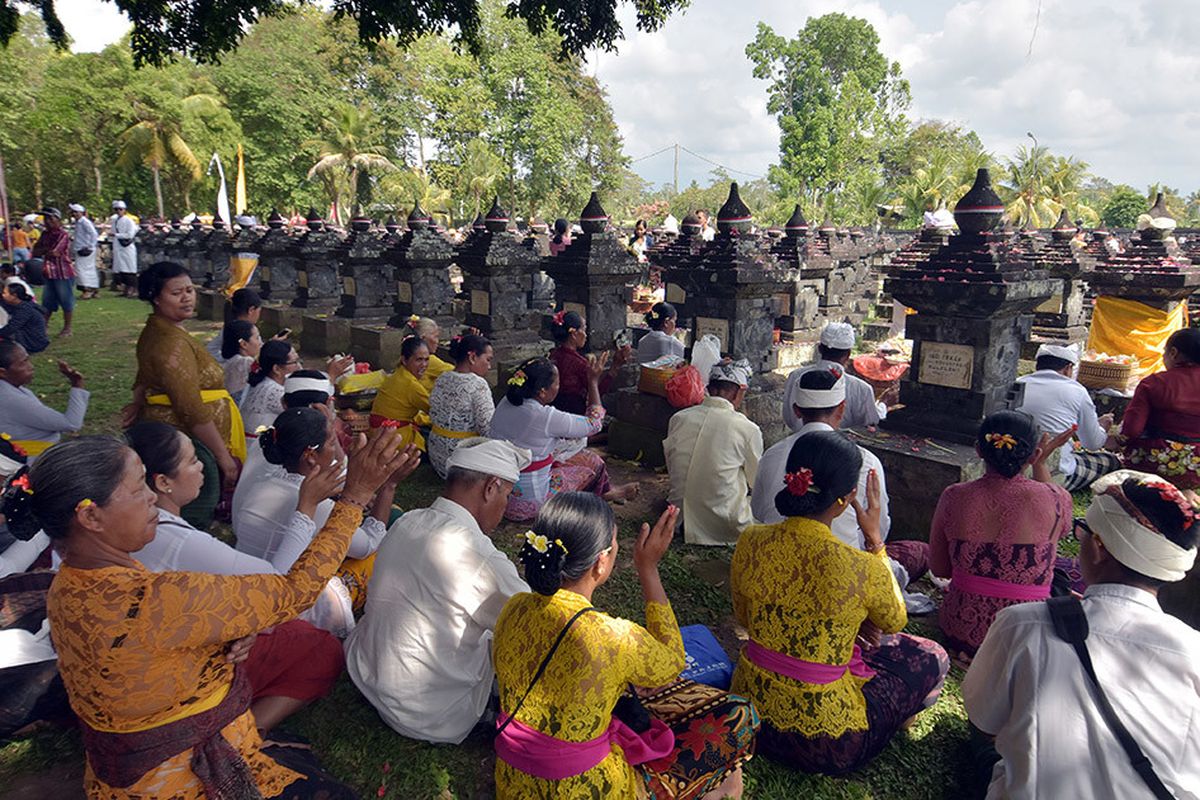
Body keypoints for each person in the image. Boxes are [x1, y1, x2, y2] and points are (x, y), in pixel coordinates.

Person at [0, 429, 413, 799]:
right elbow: (294, 591)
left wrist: (219, 637)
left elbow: (144, 651)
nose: (151, 498)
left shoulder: (67, 583)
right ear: (90, 516)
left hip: (117, 777)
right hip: (183, 781)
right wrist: (355, 498)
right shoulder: (160, 596)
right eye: (137, 488)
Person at [493, 494, 758, 799]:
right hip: (588, 788)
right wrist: (648, 569)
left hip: (514, 781)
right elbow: (673, 662)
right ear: (601, 561)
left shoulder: (515, 608)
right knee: (736, 714)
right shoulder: (615, 638)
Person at [962, 470, 1200, 799]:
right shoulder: (1193, 651)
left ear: (1099, 548)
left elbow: (984, 722)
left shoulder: (1023, 624)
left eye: (1082, 531)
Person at [731, 431, 949, 774]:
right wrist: (875, 540)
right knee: (931, 655)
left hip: (750, 713)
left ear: (792, 480)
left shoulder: (751, 541)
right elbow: (894, 620)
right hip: (828, 740)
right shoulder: (860, 566)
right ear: (847, 499)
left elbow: (744, 615)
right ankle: (900, 721)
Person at [125, 421, 350, 728]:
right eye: (192, 461)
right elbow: (279, 586)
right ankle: (243, 736)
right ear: (162, 481)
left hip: (151, 654)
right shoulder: (178, 541)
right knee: (323, 649)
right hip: (169, 674)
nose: (203, 467)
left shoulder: (133, 526)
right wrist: (308, 505)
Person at [345, 438, 531, 744]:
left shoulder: (407, 522)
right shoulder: (478, 554)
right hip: (430, 715)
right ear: (491, 487)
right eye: (507, 495)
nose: (505, 507)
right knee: (512, 636)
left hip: (368, 676)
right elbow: (534, 621)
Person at [751, 369, 933, 595]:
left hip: (778, 564)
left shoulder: (773, 454)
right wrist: (874, 542)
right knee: (920, 551)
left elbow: (759, 511)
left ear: (797, 410)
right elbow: (879, 527)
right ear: (842, 408)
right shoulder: (865, 462)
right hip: (844, 575)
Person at [233, 407, 417, 609]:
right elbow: (369, 544)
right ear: (311, 455)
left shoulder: (259, 485)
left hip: (246, 587)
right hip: (278, 603)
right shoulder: (313, 505)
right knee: (379, 550)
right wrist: (389, 486)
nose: (337, 451)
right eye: (332, 443)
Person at [929, 411, 1073, 663]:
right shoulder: (1057, 499)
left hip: (962, 629)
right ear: (1035, 455)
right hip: (1027, 632)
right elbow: (1061, 528)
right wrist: (1040, 465)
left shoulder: (954, 495)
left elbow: (940, 568)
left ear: (979, 450)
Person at [126, 261, 245, 529]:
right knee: (191, 513)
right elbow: (190, 407)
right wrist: (223, 458)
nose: (186, 297)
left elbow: (144, 376)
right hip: (184, 440)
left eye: (190, 290)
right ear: (156, 298)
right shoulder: (170, 342)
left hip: (178, 432)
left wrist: (137, 401)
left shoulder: (163, 329)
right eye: (176, 292)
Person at [491, 357, 637, 521]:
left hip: (498, 497)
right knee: (591, 465)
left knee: (582, 453)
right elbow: (594, 424)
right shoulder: (544, 416)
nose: (558, 388)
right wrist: (593, 382)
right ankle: (599, 499)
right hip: (527, 505)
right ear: (542, 391)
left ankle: (607, 492)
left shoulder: (507, 401)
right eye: (557, 384)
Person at [664, 359, 762, 545]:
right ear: (739, 392)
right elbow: (755, 480)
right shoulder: (747, 429)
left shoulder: (679, 418)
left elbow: (673, 466)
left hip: (678, 519)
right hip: (725, 526)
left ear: (709, 387)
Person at [1016, 342, 1118, 490]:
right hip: (1055, 470)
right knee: (1111, 461)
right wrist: (1101, 427)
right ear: (1068, 368)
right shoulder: (1077, 391)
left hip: (1014, 466)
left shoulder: (1018, 383)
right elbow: (1093, 444)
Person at [1119, 327, 1200, 489]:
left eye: (1164, 352)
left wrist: (1118, 440)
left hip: (1154, 463)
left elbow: (1132, 430)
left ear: (1173, 353)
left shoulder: (1154, 382)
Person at [784, 322, 881, 431]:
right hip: (845, 445)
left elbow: (788, 417)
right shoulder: (862, 388)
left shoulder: (795, 376)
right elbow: (871, 423)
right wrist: (883, 407)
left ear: (819, 349)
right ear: (848, 354)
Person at [0, 340, 88, 458]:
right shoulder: (10, 398)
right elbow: (71, 423)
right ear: (2, 372)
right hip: (34, 463)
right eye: (23, 363)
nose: (31, 366)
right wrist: (77, 385)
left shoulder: (11, 389)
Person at [427, 331, 496, 478]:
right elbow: (488, 428)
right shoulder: (477, 384)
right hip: (460, 461)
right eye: (488, 360)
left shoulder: (442, 377)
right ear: (472, 357)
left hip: (436, 453)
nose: (489, 366)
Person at [548, 309, 625, 416]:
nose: (586, 334)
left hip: (554, 411)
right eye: (584, 329)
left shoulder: (553, 354)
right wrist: (614, 367)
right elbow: (597, 391)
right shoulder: (578, 363)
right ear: (574, 334)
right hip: (574, 414)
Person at [370, 334, 432, 451]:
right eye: (419, 360)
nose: (424, 365)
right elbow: (436, 412)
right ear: (404, 360)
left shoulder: (398, 374)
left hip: (378, 433)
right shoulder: (410, 384)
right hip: (394, 439)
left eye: (427, 360)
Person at [31, 207, 75, 338]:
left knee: (66, 301)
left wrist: (43, 249)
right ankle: (43, 326)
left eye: (51, 218)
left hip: (63, 273)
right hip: (48, 272)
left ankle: (67, 328)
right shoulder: (45, 234)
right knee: (47, 302)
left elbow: (55, 252)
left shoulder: (63, 234)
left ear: (58, 219)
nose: (47, 221)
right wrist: (44, 250)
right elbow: (35, 251)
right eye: (46, 218)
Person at [241, 339, 302, 433]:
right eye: (295, 362)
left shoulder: (263, 382)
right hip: (257, 446)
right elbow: (305, 415)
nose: (299, 367)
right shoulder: (273, 391)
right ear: (276, 369)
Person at [206, 287, 263, 363]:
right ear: (251, 310)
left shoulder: (250, 328)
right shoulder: (233, 330)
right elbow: (210, 350)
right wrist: (228, 362)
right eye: (259, 311)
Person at [0, 278, 49, 354]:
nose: (3, 295)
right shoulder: (23, 304)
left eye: (5, 293)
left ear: (14, 296)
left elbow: (11, 328)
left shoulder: (24, 310)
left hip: (33, 343)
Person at [404, 315, 453, 392]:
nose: (437, 341)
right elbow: (458, 373)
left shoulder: (409, 355)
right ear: (423, 338)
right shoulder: (429, 361)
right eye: (435, 337)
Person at [220, 318, 263, 405]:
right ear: (244, 344)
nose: (260, 343)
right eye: (257, 338)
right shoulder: (245, 362)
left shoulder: (229, 362)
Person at [68, 204, 99, 300]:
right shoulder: (78, 223)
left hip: (86, 249)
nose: (75, 214)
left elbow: (93, 234)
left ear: (81, 213)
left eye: (77, 212)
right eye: (73, 212)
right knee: (86, 269)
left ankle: (88, 289)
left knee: (82, 270)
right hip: (80, 248)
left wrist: (90, 246)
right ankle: (94, 289)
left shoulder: (85, 222)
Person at [109, 200, 139, 297]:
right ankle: (125, 288)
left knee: (129, 268)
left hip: (126, 247)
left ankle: (133, 288)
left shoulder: (128, 221)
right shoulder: (115, 220)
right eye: (116, 209)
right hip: (118, 247)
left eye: (120, 209)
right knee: (120, 269)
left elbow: (130, 234)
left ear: (124, 210)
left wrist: (117, 235)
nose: (118, 211)